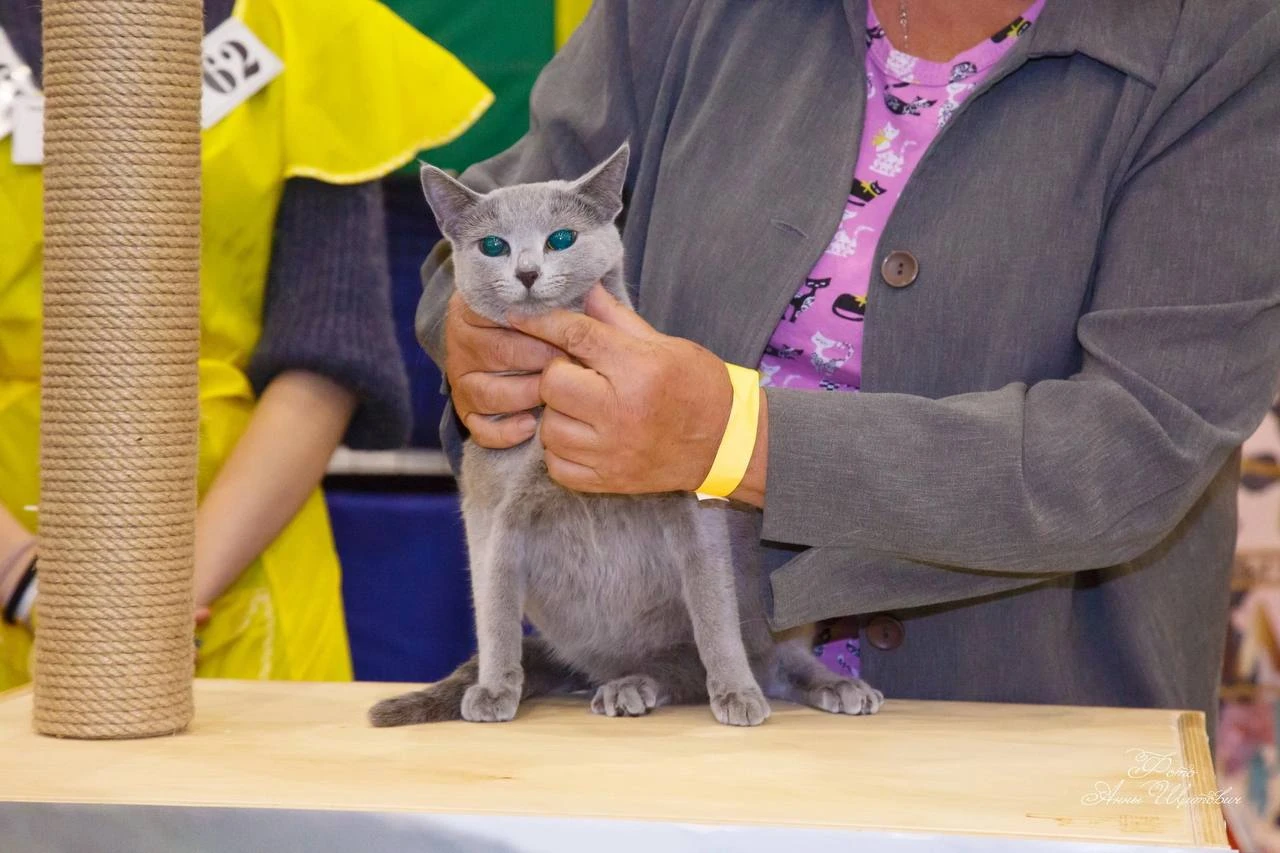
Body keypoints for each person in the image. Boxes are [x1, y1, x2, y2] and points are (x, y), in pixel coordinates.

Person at [417, 0, 1280, 729]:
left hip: (1028, 737)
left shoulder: (1226, 37)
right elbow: (485, 225)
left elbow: (1137, 444)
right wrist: (476, 336)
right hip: (669, 719)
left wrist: (736, 437)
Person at [0, 0, 492, 687]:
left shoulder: (312, 30)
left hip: (242, 546)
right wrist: (21, 575)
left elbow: (326, 358)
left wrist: (159, 602)